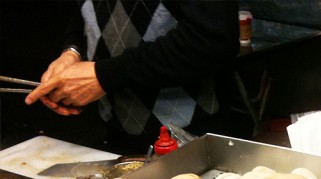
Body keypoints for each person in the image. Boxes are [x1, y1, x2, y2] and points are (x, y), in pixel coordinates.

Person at [25, 0, 243, 152]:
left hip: (193, 137)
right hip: (112, 132)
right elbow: (86, 11)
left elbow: (211, 41)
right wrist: (73, 52)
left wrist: (105, 75)